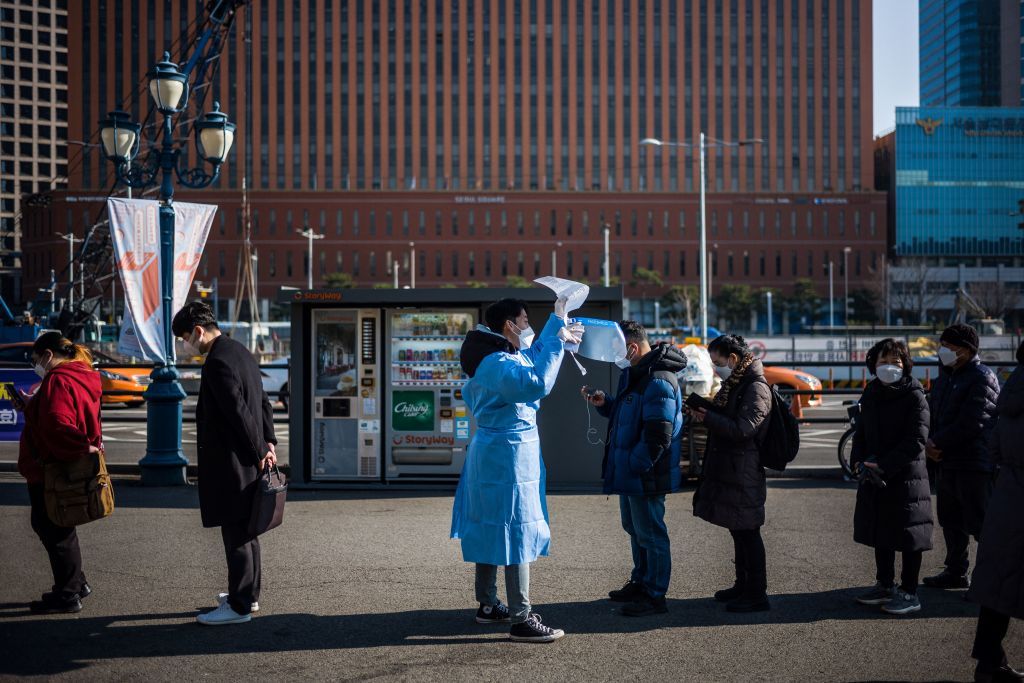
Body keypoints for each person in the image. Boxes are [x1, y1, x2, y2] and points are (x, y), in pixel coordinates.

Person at [451, 297, 582, 643]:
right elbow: (535, 383)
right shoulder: (497, 362)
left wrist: (559, 323)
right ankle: (521, 618)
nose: (529, 326)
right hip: (506, 456)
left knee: (492, 526)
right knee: (516, 530)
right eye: (525, 320)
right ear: (509, 325)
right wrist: (556, 340)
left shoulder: (496, 355)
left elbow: (535, 356)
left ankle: (489, 604)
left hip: (499, 454)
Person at [171, 301, 278, 626]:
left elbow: (237, 412)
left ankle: (239, 605)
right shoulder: (241, 351)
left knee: (236, 533)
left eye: (186, 338)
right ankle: (249, 595)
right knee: (248, 529)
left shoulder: (217, 361)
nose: (186, 345)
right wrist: (268, 442)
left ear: (199, 331)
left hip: (233, 460)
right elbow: (261, 401)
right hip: (250, 457)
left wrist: (260, 449)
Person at [582, 320, 686, 617]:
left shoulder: (658, 379)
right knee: (635, 528)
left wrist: (634, 464)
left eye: (618, 349)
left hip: (645, 472)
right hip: (634, 471)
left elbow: (659, 433)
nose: (616, 355)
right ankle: (641, 581)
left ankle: (655, 594)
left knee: (651, 532)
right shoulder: (636, 373)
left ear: (632, 346)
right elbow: (631, 415)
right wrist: (606, 404)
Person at [14, 332, 102, 614]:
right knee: (59, 526)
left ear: (48, 355)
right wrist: (31, 406)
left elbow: (57, 423)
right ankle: (76, 583)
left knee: (53, 528)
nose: (36, 364)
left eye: (36, 359)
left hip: (51, 468)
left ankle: (68, 594)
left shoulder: (57, 380)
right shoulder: (81, 375)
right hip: (65, 466)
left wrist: (77, 447)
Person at [689, 334, 772, 613]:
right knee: (738, 530)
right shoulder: (737, 383)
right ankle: (742, 585)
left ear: (733, 360)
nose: (715, 367)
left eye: (717, 362)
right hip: (735, 468)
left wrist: (708, 417)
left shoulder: (755, 387)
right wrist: (705, 409)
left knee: (748, 531)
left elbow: (743, 429)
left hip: (744, 470)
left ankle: (756, 593)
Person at [850, 339, 933, 616]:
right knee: (880, 529)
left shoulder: (914, 395)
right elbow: (860, 432)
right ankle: (884, 583)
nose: (889, 367)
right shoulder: (871, 392)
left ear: (906, 365)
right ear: (873, 364)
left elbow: (916, 440)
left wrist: (883, 465)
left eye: (895, 362)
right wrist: (858, 461)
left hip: (906, 475)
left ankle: (910, 591)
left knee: (909, 533)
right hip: (876, 473)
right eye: (883, 361)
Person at [923, 324, 999, 590]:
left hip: (973, 461)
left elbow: (974, 421)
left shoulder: (982, 377)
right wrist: (930, 443)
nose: (942, 351)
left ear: (967, 350)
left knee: (980, 523)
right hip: (947, 460)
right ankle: (956, 571)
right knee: (951, 520)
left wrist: (936, 442)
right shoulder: (947, 375)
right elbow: (935, 412)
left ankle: (990, 579)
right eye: (941, 345)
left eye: (949, 346)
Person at [967, 339, 1024, 682]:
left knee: (999, 583)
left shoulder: (1014, 386)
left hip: (1009, 497)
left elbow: (995, 446)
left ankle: (989, 662)